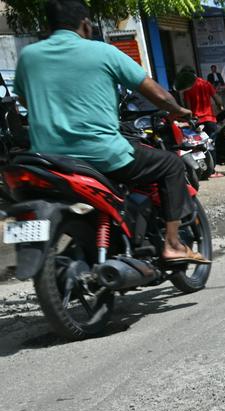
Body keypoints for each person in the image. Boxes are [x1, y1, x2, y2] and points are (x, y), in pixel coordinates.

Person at [13, 0, 207, 265]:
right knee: (171, 164)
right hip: (102, 155)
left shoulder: (28, 57)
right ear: (85, 24)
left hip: (47, 159)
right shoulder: (103, 52)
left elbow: (25, 100)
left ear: (47, 25)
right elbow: (156, 94)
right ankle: (173, 244)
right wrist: (178, 111)